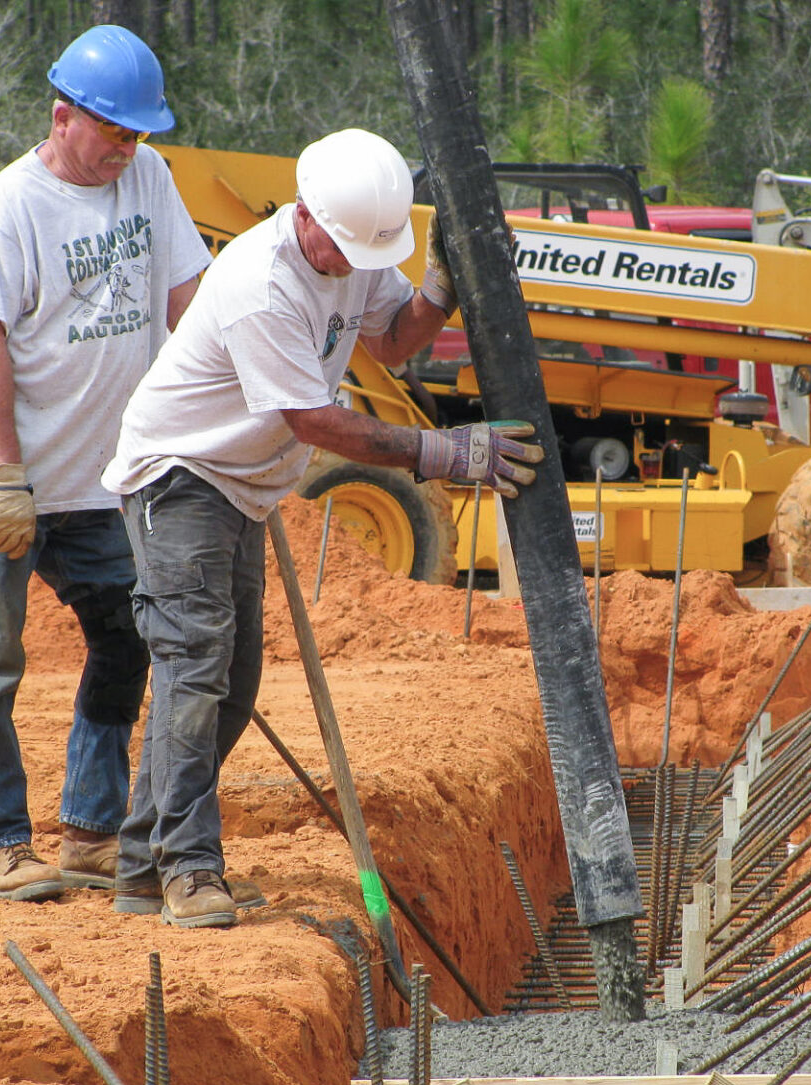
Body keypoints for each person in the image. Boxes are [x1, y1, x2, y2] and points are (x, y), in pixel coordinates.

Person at [100, 128, 545, 928]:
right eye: (339, 249)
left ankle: (141, 864)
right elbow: (312, 419)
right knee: (194, 669)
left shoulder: (354, 253)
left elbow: (391, 339)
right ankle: (189, 870)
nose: (348, 265)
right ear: (304, 214)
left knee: (227, 692)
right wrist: (439, 452)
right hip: (181, 477)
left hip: (239, 488)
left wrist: (442, 285)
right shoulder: (261, 286)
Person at [0, 25, 212, 902]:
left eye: (137, 134)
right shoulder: (3, 210)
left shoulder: (149, 180)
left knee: (128, 638)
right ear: (62, 116)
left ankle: (90, 829)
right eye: (113, 132)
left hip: (103, 481)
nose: (127, 149)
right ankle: (0, 840)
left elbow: (187, 300)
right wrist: (6, 477)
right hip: (2, 486)